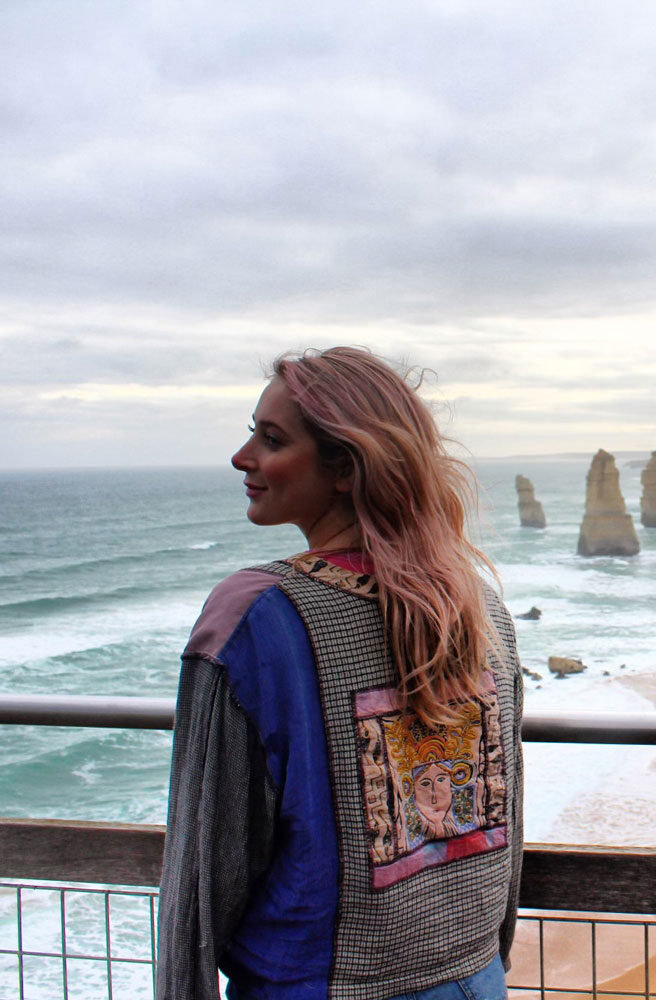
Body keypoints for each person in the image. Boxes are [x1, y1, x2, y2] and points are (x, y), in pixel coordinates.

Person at [155, 347, 524, 1000]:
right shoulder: (476, 604)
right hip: (474, 978)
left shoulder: (258, 618)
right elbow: (505, 817)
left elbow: (206, 868)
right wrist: (488, 954)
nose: (243, 458)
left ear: (346, 468)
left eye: (270, 439)